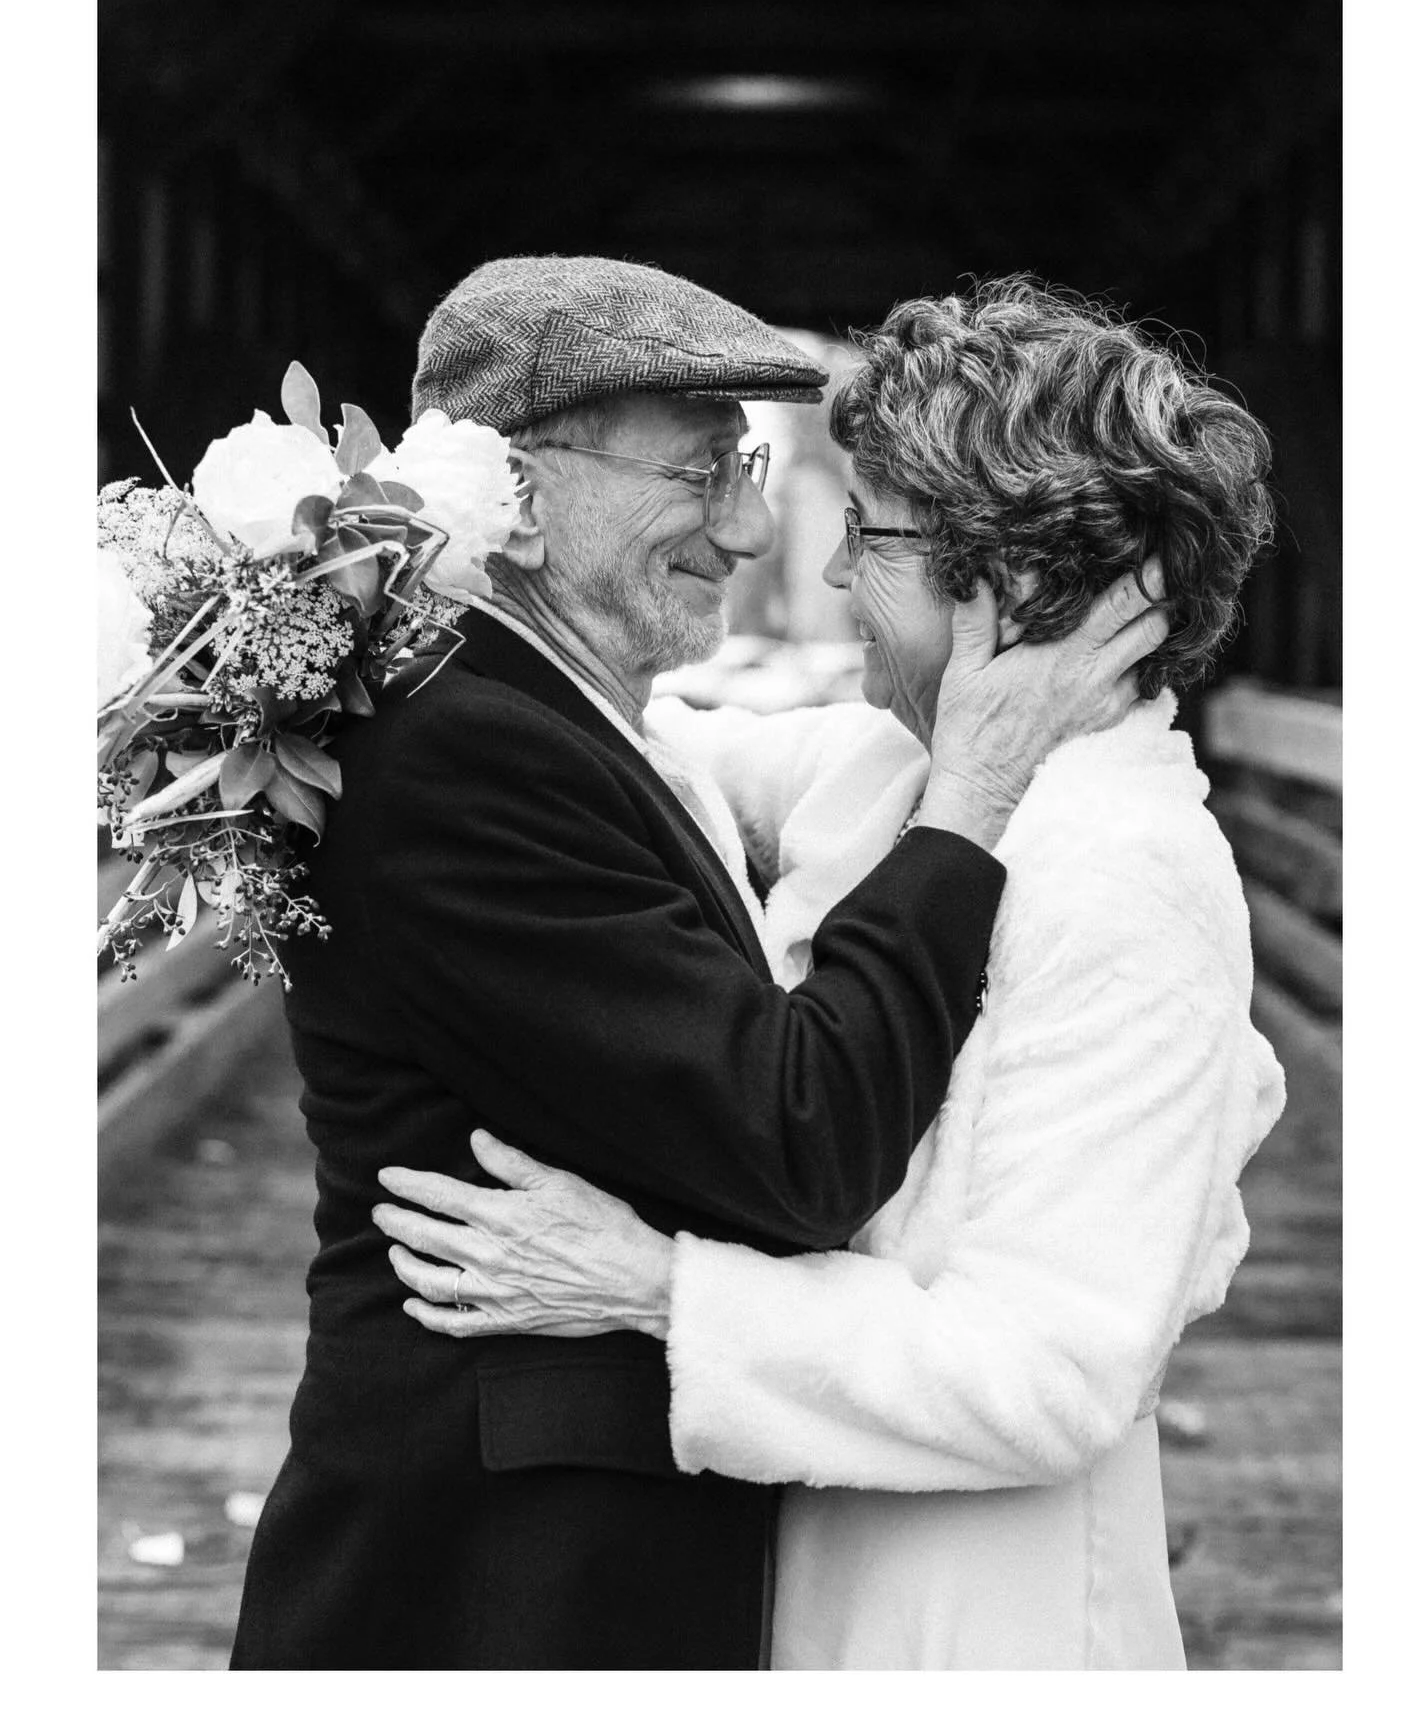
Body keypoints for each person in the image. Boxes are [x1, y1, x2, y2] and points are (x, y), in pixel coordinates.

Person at [229, 259, 1166, 1670]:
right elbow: (799, 1140)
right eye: (699, 470)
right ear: (521, 496)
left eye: (748, 467)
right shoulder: (464, 753)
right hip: (494, 1594)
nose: (746, 526)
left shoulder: (559, 715)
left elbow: (804, 772)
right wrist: (971, 790)